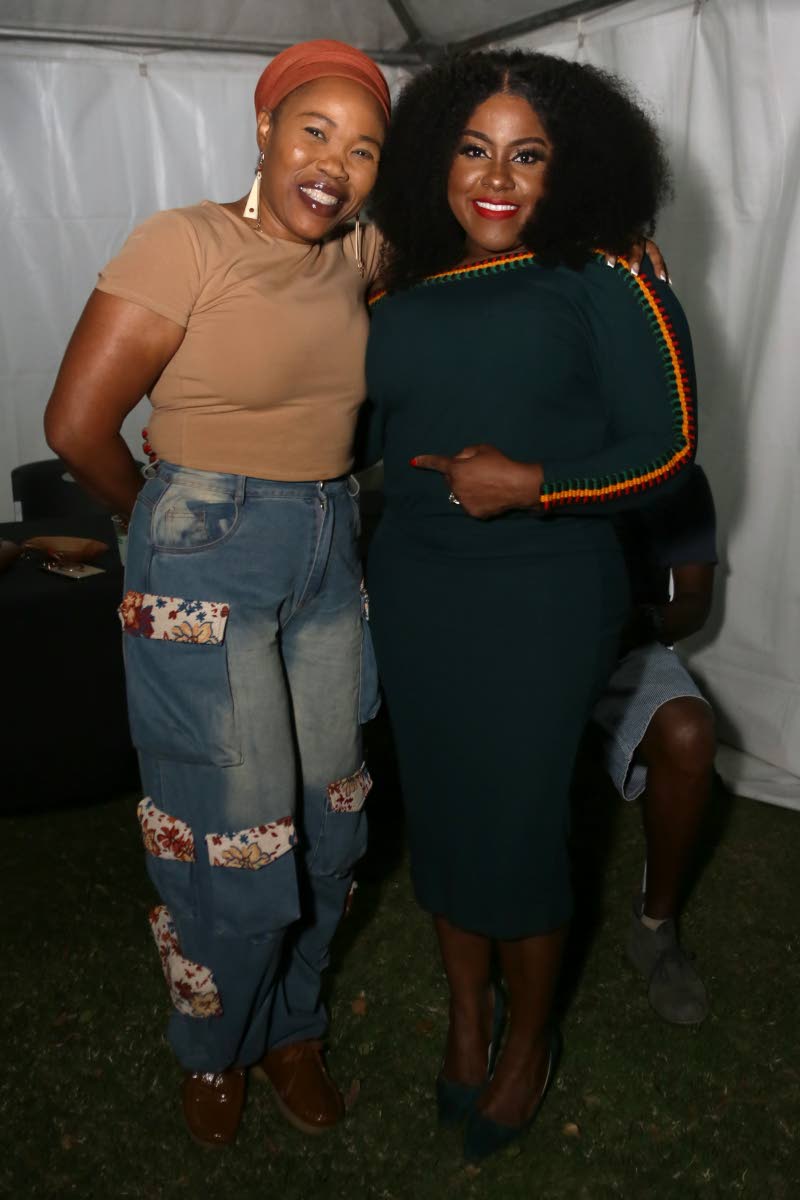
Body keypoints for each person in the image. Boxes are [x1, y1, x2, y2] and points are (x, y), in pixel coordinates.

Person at [44, 40, 391, 1148]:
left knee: (331, 821)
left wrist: (608, 247)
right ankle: (214, 1042)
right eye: (314, 131)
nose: (334, 162)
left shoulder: (364, 251)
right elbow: (74, 426)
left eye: (363, 146)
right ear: (264, 130)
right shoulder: (184, 240)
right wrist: (162, 511)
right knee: (229, 833)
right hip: (208, 550)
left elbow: (487, 233)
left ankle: (293, 1025)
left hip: (331, 549)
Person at [363, 50, 697, 1162]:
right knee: (447, 815)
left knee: (513, 820)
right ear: (433, 161)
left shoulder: (605, 273)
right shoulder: (397, 283)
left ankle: (527, 1042)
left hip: (542, 591)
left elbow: (666, 453)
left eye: (526, 153)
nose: (493, 177)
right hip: (413, 586)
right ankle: (465, 1023)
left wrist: (534, 485)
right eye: (470, 148)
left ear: (570, 167)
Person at [592, 463, 717, 1024]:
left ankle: (654, 927)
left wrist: (637, 622)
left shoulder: (677, 475)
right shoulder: (536, 443)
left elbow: (693, 600)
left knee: (688, 730)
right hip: (535, 639)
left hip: (627, 644)